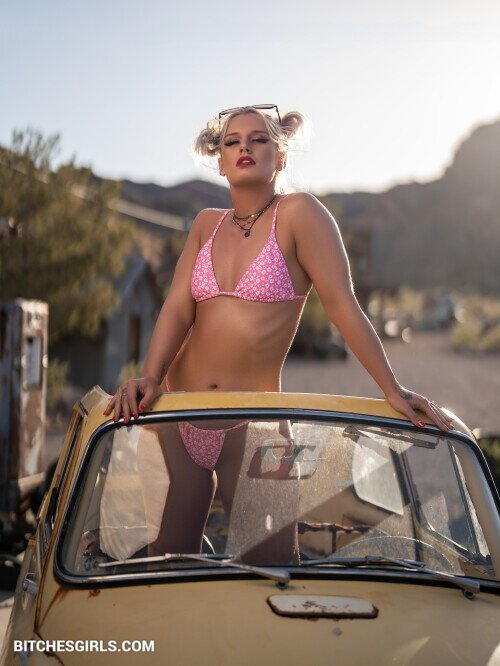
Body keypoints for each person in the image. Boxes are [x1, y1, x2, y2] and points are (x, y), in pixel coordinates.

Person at [103, 104, 454, 560]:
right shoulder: (206, 224)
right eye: (232, 142)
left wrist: (392, 388)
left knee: (272, 571)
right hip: (181, 411)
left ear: (281, 156)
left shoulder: (299, 215)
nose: (244, 147)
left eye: (259, 139)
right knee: (167, 566)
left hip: (257, 425)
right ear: (221, 162)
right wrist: (151, 377)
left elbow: (342, 305)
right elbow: (176, 308)